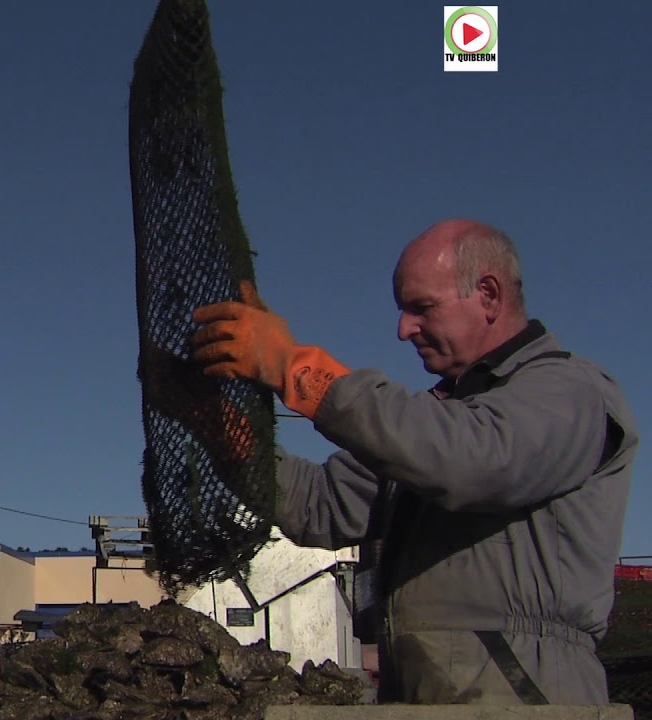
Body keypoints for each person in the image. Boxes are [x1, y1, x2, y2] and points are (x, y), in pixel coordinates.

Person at [185, 218, 638, 705]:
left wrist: (294, 367)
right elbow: (322, 506)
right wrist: (222, 431)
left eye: (422, 308)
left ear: (488, 295)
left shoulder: (570, 391)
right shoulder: (438, 422)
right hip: (422, 697)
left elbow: (469, 460)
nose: (403, 330)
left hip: (528, 701)